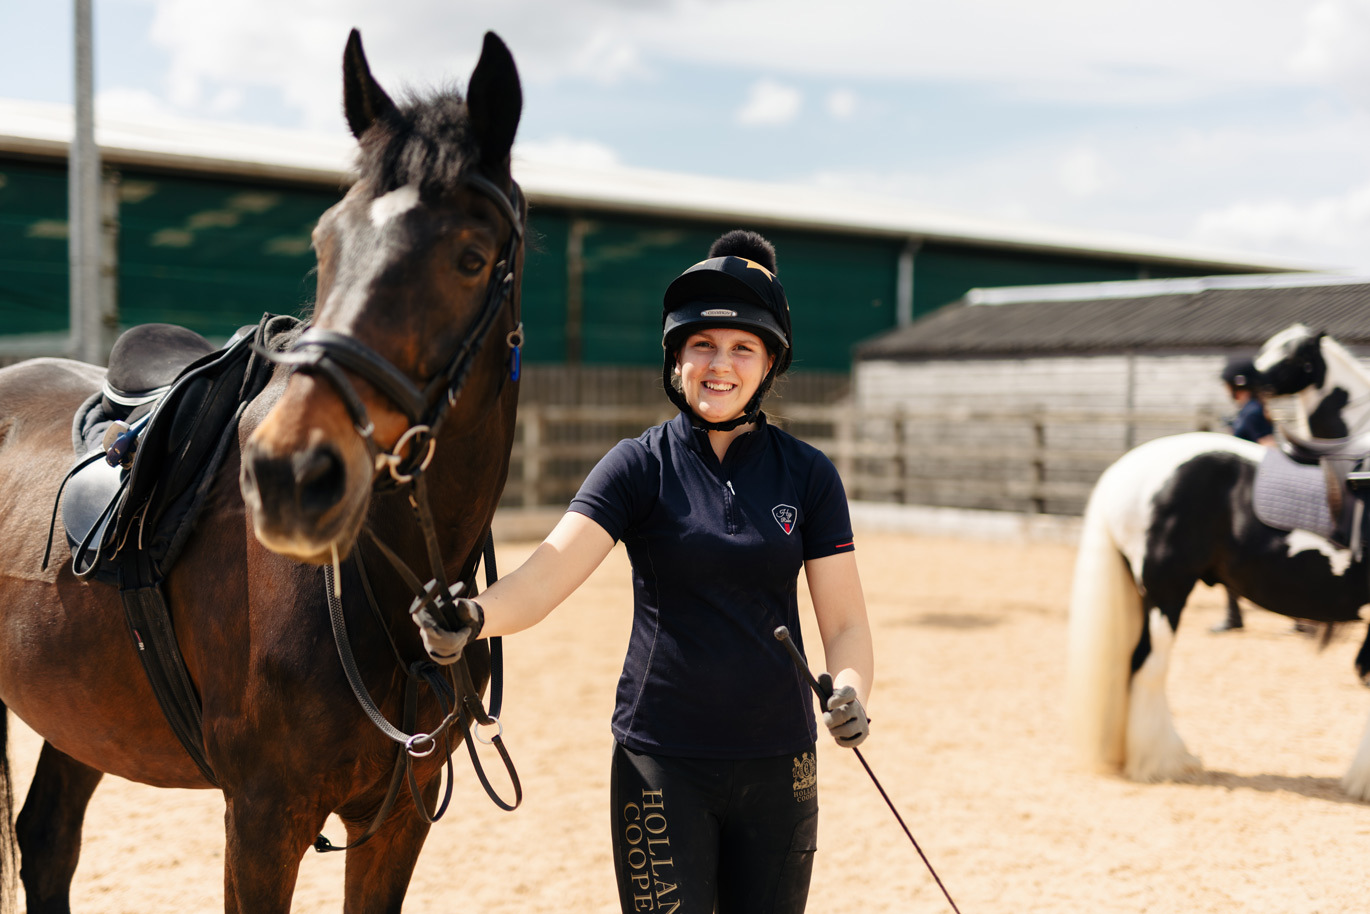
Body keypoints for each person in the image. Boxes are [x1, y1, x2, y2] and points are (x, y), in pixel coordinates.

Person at [413, 229, 875, 914]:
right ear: (676, 359)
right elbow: (545, 578)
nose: (721, 364)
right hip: (661, 763)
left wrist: (850, 691)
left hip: (782, 762)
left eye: (743, 347)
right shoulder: (637, 466)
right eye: (703, 346)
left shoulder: (808, 476)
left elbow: (845, 622)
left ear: (770, 363)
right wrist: (473, 617)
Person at [1211, 356, 1275, 632]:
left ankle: (1235, 615)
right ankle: (1234, 614)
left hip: (1249, 491)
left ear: (1237, 386)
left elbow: (1268, 448)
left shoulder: (1252, 412)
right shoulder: (1249, 410)